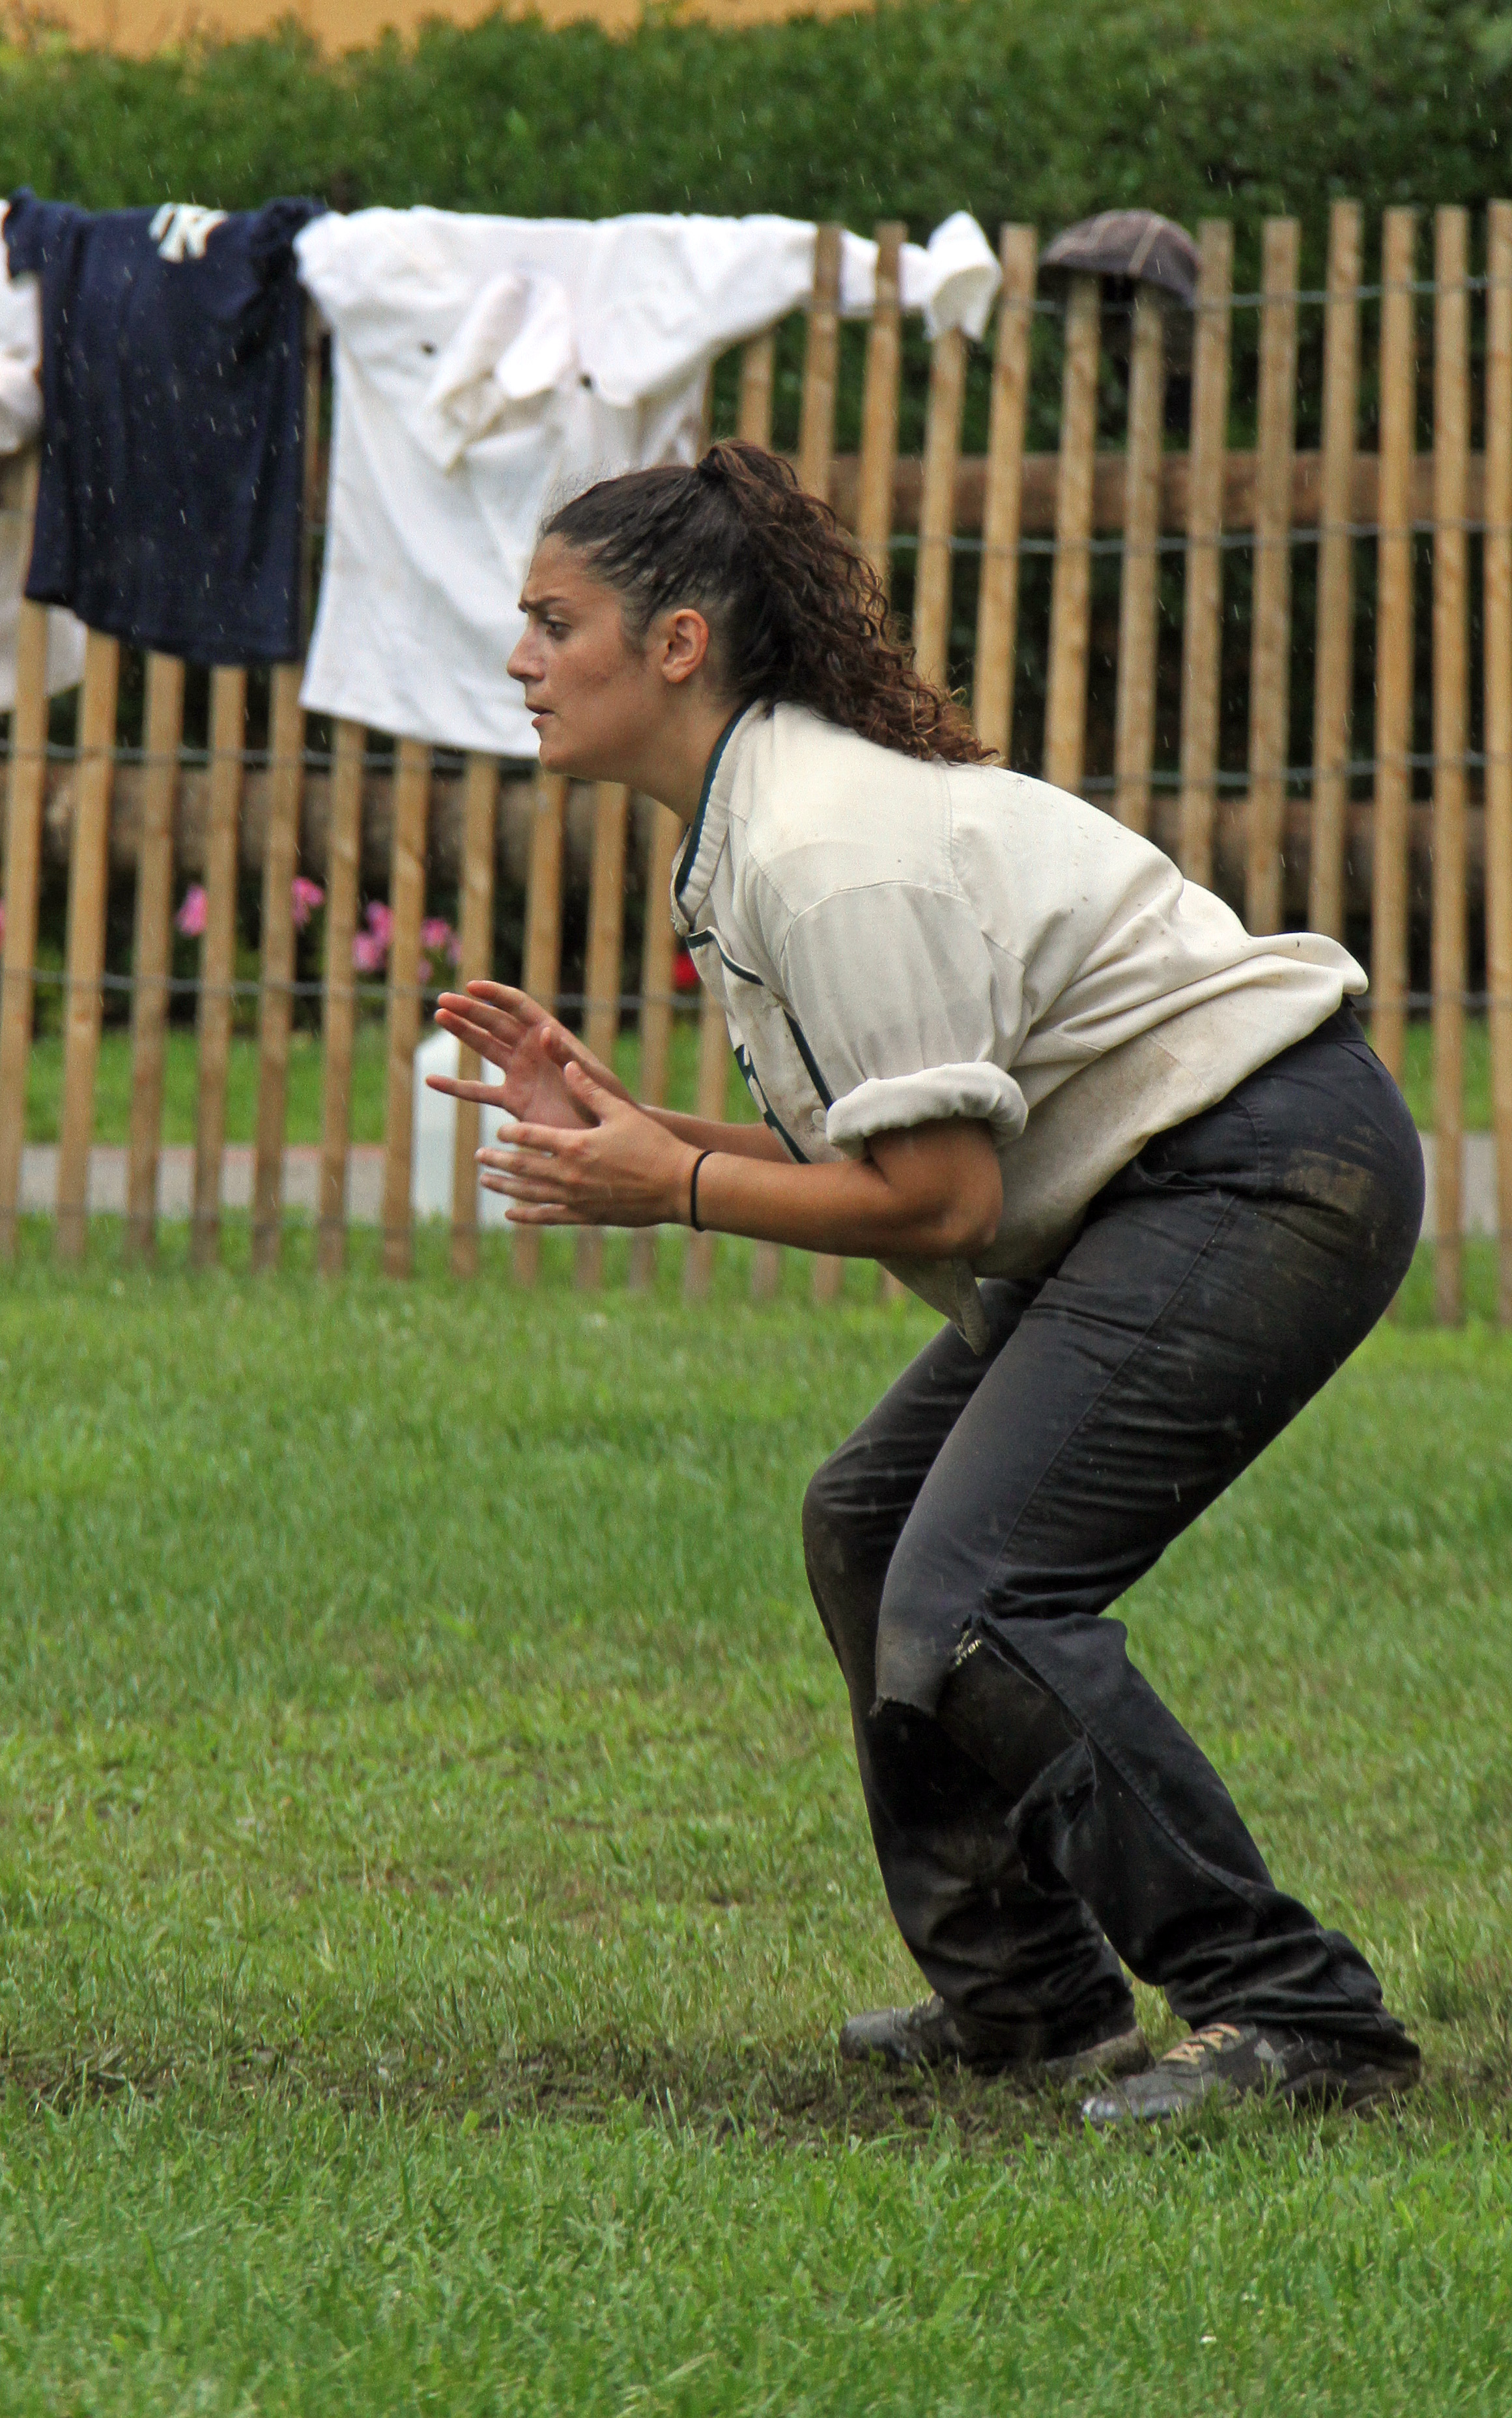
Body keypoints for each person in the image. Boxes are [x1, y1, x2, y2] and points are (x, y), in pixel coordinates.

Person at [429, 440, 1425, 2125]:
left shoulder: (824, 847)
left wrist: (673, 1188)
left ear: (676, 643)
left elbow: (943, 1202)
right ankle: (1025, 2000)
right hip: (1168, 1179)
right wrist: (641, 1132)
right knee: (869, 1524)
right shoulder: (765, 820)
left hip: (1262, 1171)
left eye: (554, 621)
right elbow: (909, 1145)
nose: (520, 658)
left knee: (977, 1600)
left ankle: (1295, 2012)